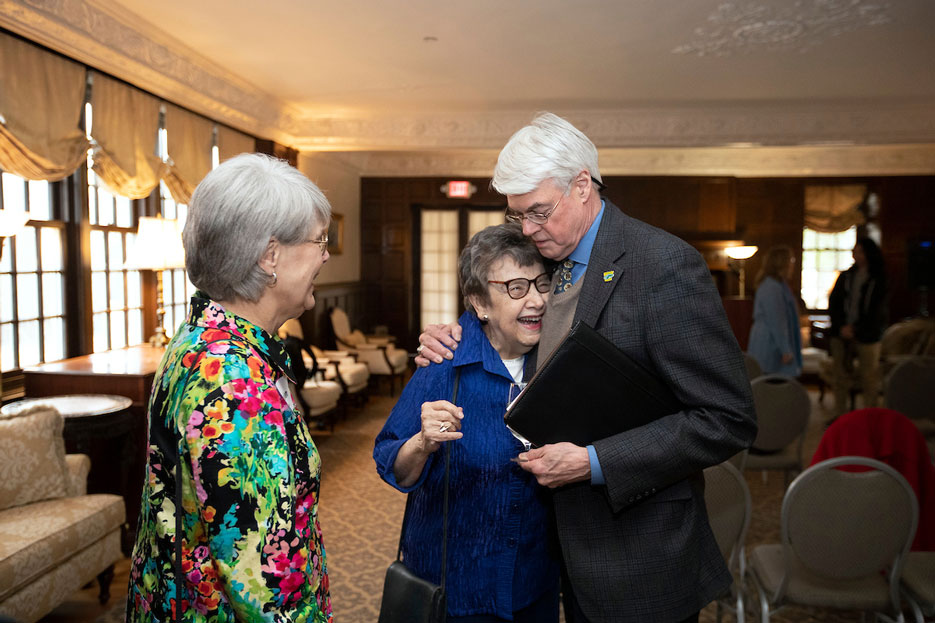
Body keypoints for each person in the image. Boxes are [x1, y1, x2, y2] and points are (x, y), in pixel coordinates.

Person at [416, 113, 757, 623]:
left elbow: (727, 417)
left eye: (538, 212)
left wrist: (594, 461)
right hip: (555, 554)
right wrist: (458, 332)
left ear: (582, 186)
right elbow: (522, 328)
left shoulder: (663, 266)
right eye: (517, 217)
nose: (528, 231)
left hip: (638, 558)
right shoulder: (549, 257)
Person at [127, 154, 333, 622]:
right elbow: (264, 584)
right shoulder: (233, 381)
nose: (325, 255)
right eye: (319, 240)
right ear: (270, 256)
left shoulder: (203, 337)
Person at [373, 223, 560, 622]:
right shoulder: (444, 364)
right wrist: (422, 443)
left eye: (542, 284)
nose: (536, 300)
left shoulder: (557, 361)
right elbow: (392, 464)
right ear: (479, 302)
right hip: (455, 590)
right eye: (515, 288)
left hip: (533, 584)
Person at [828, 237, 888, 417]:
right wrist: (841, 327)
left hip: (868, 335)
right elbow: (834, 303)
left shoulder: (879, 279)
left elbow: (878, 310)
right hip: (841, 333)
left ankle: (870, 418)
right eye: (854, 251)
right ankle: (840, 415)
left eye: (860, 251)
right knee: (840, 377)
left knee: (869, 378)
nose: (855, 255)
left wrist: (857, 329)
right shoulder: (846, 276)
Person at [746, 245, 803, 377]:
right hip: (769, 342)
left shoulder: (779, 286)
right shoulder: (771, 288)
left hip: (772, 340)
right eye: (791, 261)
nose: (792, 265)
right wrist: (785, 349)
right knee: (770, 387)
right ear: (782, 263)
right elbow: (777, 320)